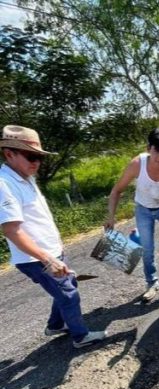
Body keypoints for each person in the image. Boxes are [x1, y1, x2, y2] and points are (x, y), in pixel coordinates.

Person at [0, 125, 106, 348]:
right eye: (31, 156)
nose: (37, 163)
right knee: (69, 295)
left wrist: (55, 251)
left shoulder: (26, 177)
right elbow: (11, 230)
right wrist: (47, 259)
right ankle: (80, 336)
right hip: (35, 258)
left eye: (39, 157)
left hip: (50, 250)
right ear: (10, 154)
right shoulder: (4, 184)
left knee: (68, 284)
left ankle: (56, 325)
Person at [105, 128, 159, 302]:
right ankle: (151, 283)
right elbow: (116, 191)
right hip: (143, 209)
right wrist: (111, 216)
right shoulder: (137, 164)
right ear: (149, 148)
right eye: (157, 151)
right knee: (147, 249)